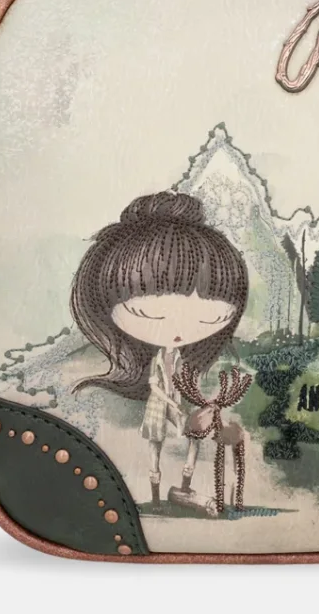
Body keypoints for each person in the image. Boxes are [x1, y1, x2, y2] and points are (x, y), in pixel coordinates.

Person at [70, 193, 248, 513]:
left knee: (193, 436)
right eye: (148, 314)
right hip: (160, 403)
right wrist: (170, 402)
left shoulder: (182, 360)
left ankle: (184, 487)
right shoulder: (156, 363)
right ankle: (154, 494)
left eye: (211, 319)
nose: (179, 329)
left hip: (177, 403)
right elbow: (156, 384)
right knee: (157, 442)